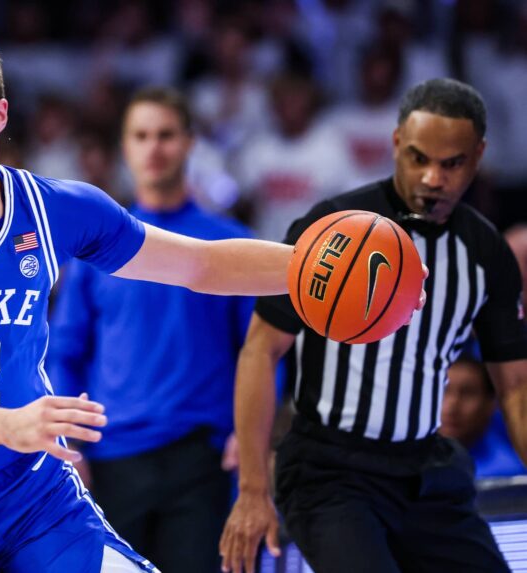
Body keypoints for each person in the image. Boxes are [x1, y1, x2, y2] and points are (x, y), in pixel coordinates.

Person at [0, 27, 297, 573]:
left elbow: (200, 264)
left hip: (26, 491)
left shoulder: (51, 209)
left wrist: (314, 267)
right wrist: (3, 425)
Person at [220, 78, 527, 573]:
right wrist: (253, 491)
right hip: (330, 470)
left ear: (479, 156)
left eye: (452, 164)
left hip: (426, 469)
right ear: (396, 143)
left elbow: (514, 386)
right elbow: (261, 349)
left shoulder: (486, 253)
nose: (433, 178)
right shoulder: (332, 227)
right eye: (419, 158)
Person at [48, 87, 255, 573]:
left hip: (201, 457)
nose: (154, 148)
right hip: (112, 457)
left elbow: (260, 350)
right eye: (141, 136)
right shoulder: (95, 250)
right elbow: (65, 351)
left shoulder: (231, 244)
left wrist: (248, 432)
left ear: (189, 142)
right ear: (125, 147)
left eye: (165, 135)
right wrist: (68, 443)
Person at [440, 356, 526, 478]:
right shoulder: (414, 467)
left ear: (491, 404)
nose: (451, 406)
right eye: (443, 391)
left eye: (468, 393)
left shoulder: (512, 474)